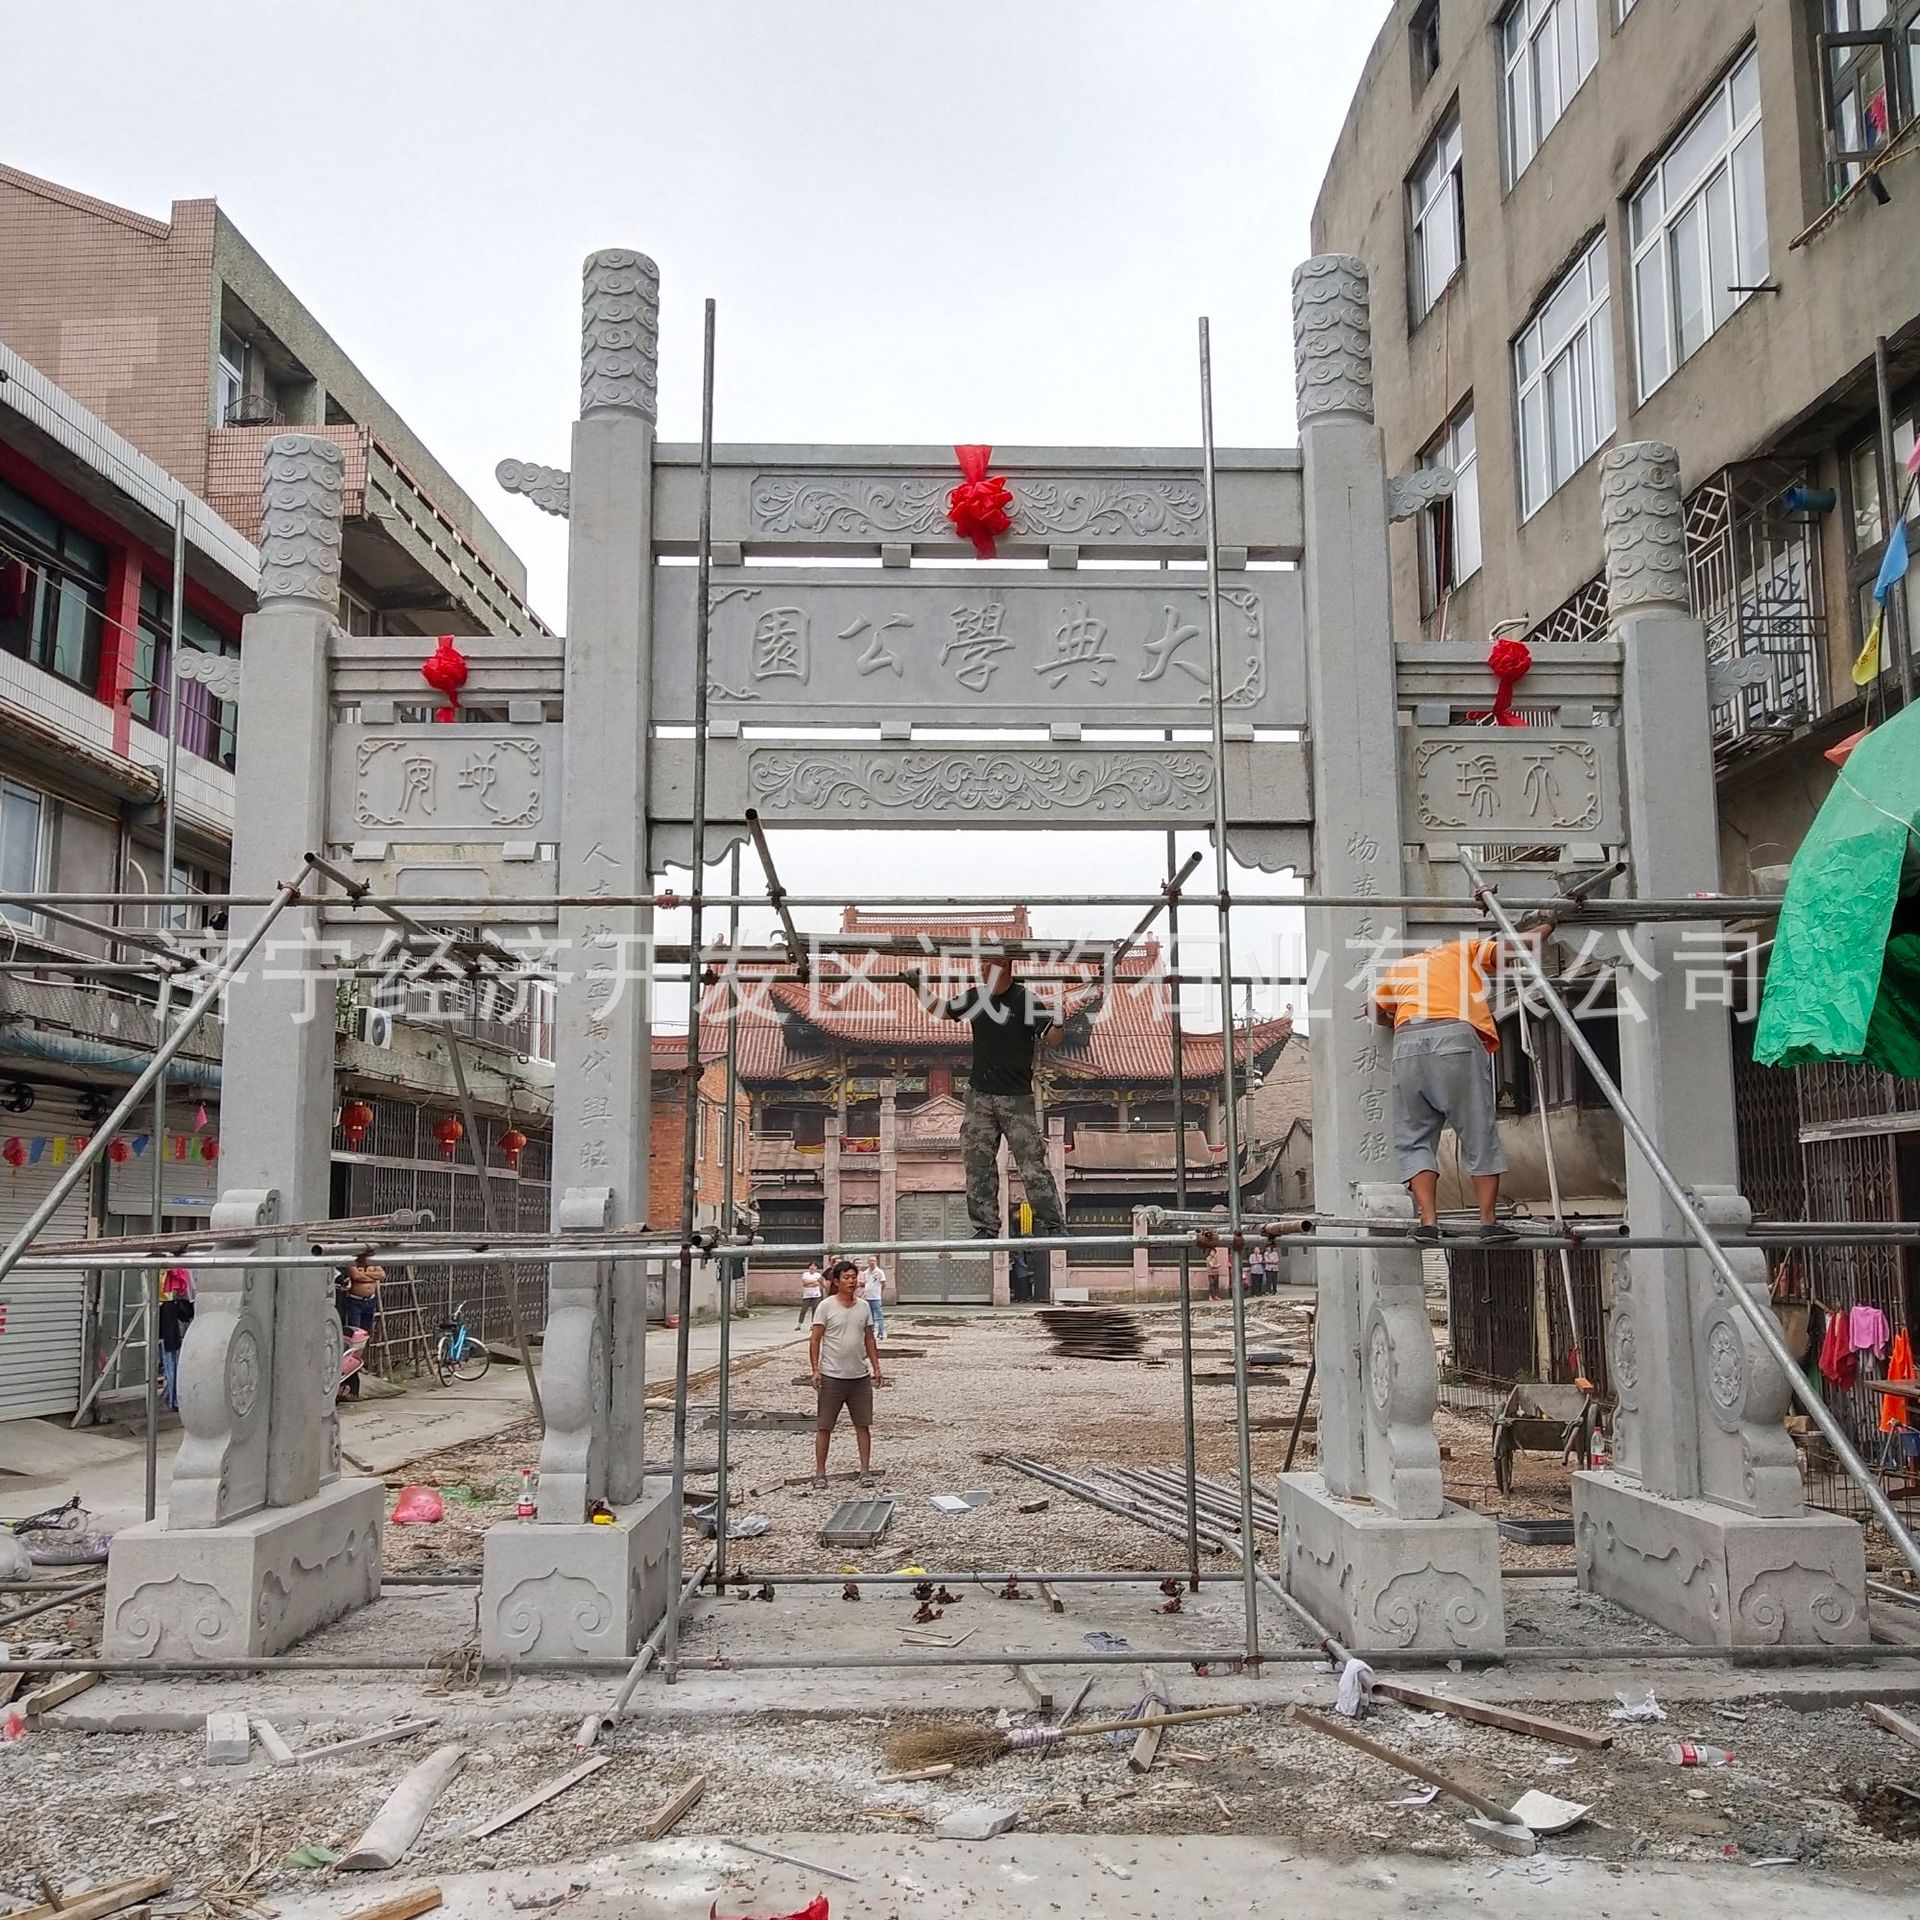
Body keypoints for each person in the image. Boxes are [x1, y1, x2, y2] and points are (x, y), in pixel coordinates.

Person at [924, 955, 1095, 1279]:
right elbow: (942, 1010)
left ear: (1004, 968)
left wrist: (1058, 1022)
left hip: (1016, 1098)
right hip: (980, 1095)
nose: (981, 971)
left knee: (1032, 1166)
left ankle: (1053, 1225)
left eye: (987, 966)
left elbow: (1052, 1038)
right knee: (978, 1164)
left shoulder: (1024, 1000)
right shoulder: (976, 997)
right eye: (981, 967)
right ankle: (986, 1228)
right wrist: (917, 986)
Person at [1371, 936, 1513, 1245]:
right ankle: (1488, 1222)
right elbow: (1510, 949)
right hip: (1454, 1038)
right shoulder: (1463, 949)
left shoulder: (1401, 967)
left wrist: (1393, 1019)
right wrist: (1546, 924)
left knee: (1413, 1136)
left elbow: (1372, 1010)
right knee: (1477, 1129)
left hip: (1407, 1043)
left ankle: (1428, 1221)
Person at [810, 1257, 883, 1489]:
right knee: (825, 1425)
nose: (852, 1282)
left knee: (862, 1424)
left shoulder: (863, 1307)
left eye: (854, 1277)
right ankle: (820, 1472)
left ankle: (865, 1470)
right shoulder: (826, 1307)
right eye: (847, 1278)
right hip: (832, 1375)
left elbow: (869, 1338)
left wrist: (876, 1367)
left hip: (859, 1376)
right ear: (837, 1281)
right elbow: (815, 1339)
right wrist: (815, 1369)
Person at [335, 1250, 384, 1398]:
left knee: (365, 1333)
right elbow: (355, 1276)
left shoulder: (373, 1263)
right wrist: (370, 1278)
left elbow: (382, 1275)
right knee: (353, 1335)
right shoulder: (352, 1262)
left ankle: (359, 1362)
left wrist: (366, 1277)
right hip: (355, 1301)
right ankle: (351, 1363)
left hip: (370, 1301)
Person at [156, 1268, 194, 1413]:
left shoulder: (173, 1269)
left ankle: (173, 1398)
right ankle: (173, 1398)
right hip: (167, 1310)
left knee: (169, 1357)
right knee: (169, 1357)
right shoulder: (172, 1269)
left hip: (167, 1310)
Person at [860, 1254, 889, 1344]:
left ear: (876, 1262)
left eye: (874, 1261)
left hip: (876, 1296)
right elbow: (864, 1283)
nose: (872, 1262)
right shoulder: (865, 1272)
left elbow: (884, 1283)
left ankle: (880, 1333)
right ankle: (871, 1332)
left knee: (879, 1316)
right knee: (869, 1316)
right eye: (870, 1261)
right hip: (867, 1296)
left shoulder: (879, 1272)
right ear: (868, 1262)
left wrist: (880, 1292)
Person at [797, 1257, 825, 1329]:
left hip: (816, 1295)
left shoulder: (818, 1275)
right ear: (809, 1266)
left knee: (815, 1310)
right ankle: (799, 1324)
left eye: (814, 1266)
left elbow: (821, 1283)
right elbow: (805, 1283)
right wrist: (814, 1282)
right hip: (807, 1295)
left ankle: (813, 1324)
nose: (812, 1267)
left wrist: (813, 1283)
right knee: (804, 1310)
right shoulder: (805, 1274)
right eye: (811, 1265)